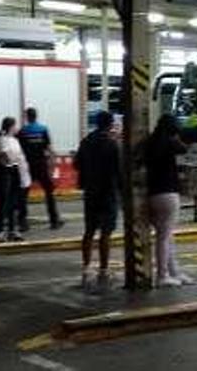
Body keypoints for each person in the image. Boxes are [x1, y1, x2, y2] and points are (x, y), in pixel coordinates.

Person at [146, 115, 195, 288]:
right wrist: (176, 135)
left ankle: (174, 271)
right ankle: (162, 275)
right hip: (168, 194)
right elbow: (184, 148)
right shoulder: (170, 142)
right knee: (164, 237)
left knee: (166, 236)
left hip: (152, 194)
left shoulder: (150, 142)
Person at [74, 111, 121, 289]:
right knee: (106, 233)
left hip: (91, 191)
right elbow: (118, 171)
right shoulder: (112, 144)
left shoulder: (86, 141)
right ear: (109, 124)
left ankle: (86, 267)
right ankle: (103, 268)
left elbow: (76, 164)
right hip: (108, 192)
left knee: (89, 231)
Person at [18, 108, 63, 231]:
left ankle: (22, 223)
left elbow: (19, 151)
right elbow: (49, 149)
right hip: (41, 164)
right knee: (49, 192)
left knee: (23, 194)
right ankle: (54, 221)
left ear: (27, 117)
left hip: (28, 166)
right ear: (36, 116)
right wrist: (52, 166)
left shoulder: (22, 131)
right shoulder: (43, 129)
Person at [0, 117, 31, 243]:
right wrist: (10, 160)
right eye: (15, 126)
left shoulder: (15, 140)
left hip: (15, 171)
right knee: (3, 202)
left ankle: (13, 230)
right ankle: (0, 232)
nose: (17, 128)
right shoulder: (2, 140)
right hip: (5, 172)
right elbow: (4, 155)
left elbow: (20, 157)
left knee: (13, 203)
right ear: (10, 127)